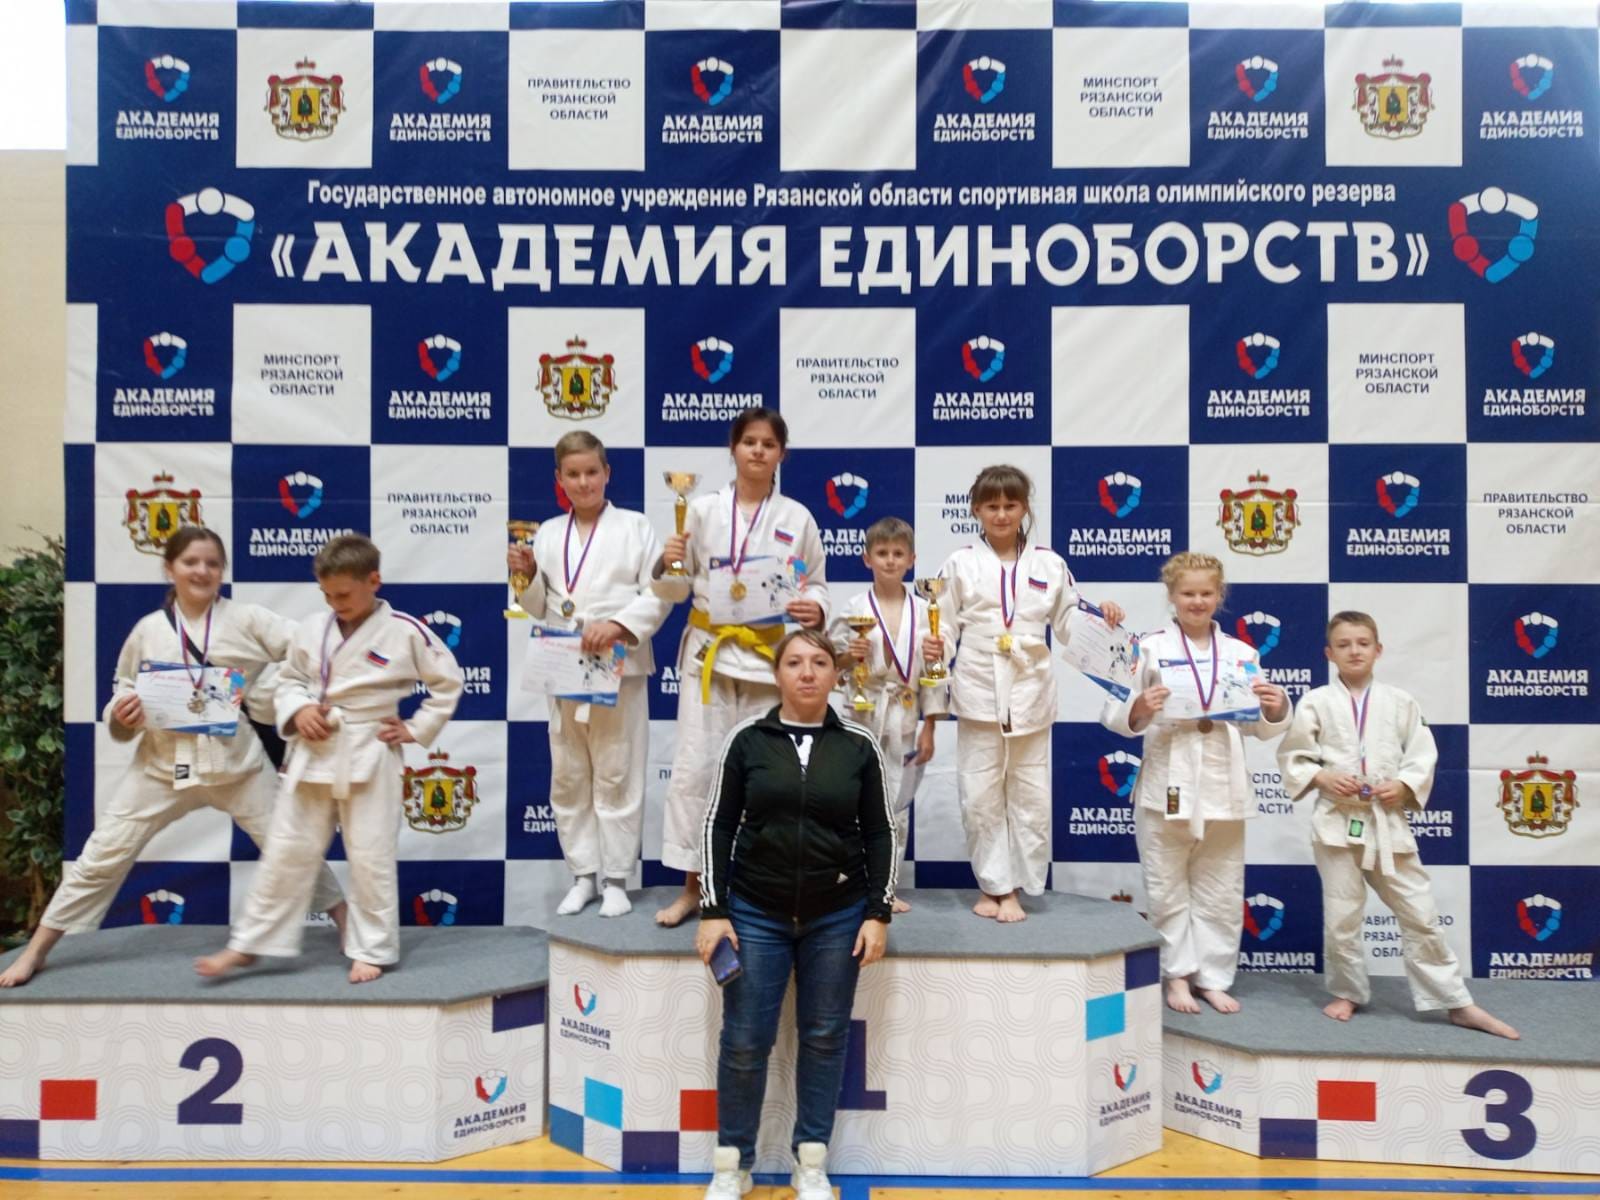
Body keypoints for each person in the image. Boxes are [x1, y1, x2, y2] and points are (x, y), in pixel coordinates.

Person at [0, 528, 345, 989]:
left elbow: (311, 648)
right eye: (190, 562)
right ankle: (38, 950)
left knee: (291, 845)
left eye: (212, 563)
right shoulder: (148, 630)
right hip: (160, 767)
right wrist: (122, 713)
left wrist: (268, 693)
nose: (202, 571)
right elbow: (124, 687)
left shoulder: (247, 619)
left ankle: (348, 926)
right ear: (170, 569)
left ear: (222, 571)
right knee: (102, 854)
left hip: (237, 766)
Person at [195, 534, 462, 984]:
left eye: (344, 594)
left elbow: (448, 681)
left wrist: (416, 728)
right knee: (286, 850)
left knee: (371, 856)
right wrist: (299, 710)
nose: (335, 604)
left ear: (373, 581)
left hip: (371, 748)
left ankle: (372, 948)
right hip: (315, 749)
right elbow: (289, 680)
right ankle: (249, 944)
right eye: (327, 595)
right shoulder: (312, 628)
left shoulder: (405, 630)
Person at [696, 629, 895, 1200]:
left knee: (825, 1037)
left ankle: (811, 1163)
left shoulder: (859, 744)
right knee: (744, 1041)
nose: (807, 672)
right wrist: (713, 909)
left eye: (819, 662)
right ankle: (732, 1166)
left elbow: (880, 831)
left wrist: (878, 912)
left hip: (838, 915)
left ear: (835, 675)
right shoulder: (746, 740)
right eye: (795, 663)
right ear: (777, 674)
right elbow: (718, 824)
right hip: (755, 912)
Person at [1277, 611, 1518, 1039]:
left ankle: (1455, 1001)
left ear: (1378, 650)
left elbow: (1423, 755)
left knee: (1419, 911)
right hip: (1336, 822)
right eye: (1344, 644)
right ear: (1329, 653)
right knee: (1342, 916)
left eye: (1363, 643)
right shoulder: (1315, 701)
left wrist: (1404, 785)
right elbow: (1294, 756)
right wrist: (1323, 777)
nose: (1354, 651)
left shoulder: (1400, 701)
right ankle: (1347, 991)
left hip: (1386, 821)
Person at [653, 407, 829, 927]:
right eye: (749, 441)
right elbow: (673, 589)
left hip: (766, 658)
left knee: (765, 776)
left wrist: (816, 608)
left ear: (782, 455)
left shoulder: (797, 518)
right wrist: (667, 561)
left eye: (768, 444)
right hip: (709, 654)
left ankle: (756, 890)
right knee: (697, 769)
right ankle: (694, 887)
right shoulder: (702, 510)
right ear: (733, 449)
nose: (758, 451)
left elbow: (817, 583)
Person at [932, 465, 1124, 923]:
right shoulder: (959, 563)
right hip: (979, 683)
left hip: (1030, 686)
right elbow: (942, 626)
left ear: (1024, 508)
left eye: (1010, 505)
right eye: (992, 506)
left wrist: (1103, 618)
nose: (1001, 514)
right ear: (976, 509)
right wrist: (934, 658)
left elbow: (1070, 622)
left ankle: (1016, 887)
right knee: (979, 793)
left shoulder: (1049, 563)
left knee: (1030, 795)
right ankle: (992, 885)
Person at [1102, 552, 1290, 1015]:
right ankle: (1179, 976)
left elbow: (1258, 725)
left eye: (1207, 593)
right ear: (1171, 595)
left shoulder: (1242, 654)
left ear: (1220, 595)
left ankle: (1214, 978)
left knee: (1221, 889)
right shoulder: (1148, 648)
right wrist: (1140, 707)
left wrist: (1276, 706)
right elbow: (1114, 712)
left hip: (1223, 782)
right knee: (1166, 887)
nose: (1198, 601)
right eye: (1188, 593)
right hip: (1167, 780)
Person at [508, 432, 670, 918]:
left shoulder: (636, 527)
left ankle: (616, 878)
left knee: (618, 769)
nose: (584, 482)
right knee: (569, 773)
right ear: (559, 480)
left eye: (592, 472)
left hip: (617, 663)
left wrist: (618, 625)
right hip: (564, 661)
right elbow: (537, 605)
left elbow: (659, 592)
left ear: (607, 474)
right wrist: (526, 575)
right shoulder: (547, 533)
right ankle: (583, 875)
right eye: (573, 474)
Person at [828, 516, 943, 912]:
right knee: (852, 800)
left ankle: (885, 886)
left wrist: (931, 727)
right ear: (866, 559)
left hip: (905, 715)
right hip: (861, 713)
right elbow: (830, 665)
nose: (890, 561)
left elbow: (933, 674)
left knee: (896, 803)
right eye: (882, 553)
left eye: (898, 553)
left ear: (911, 560)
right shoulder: (854, 608)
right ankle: (849, 884)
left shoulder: (926, 611)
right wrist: (848, 656)